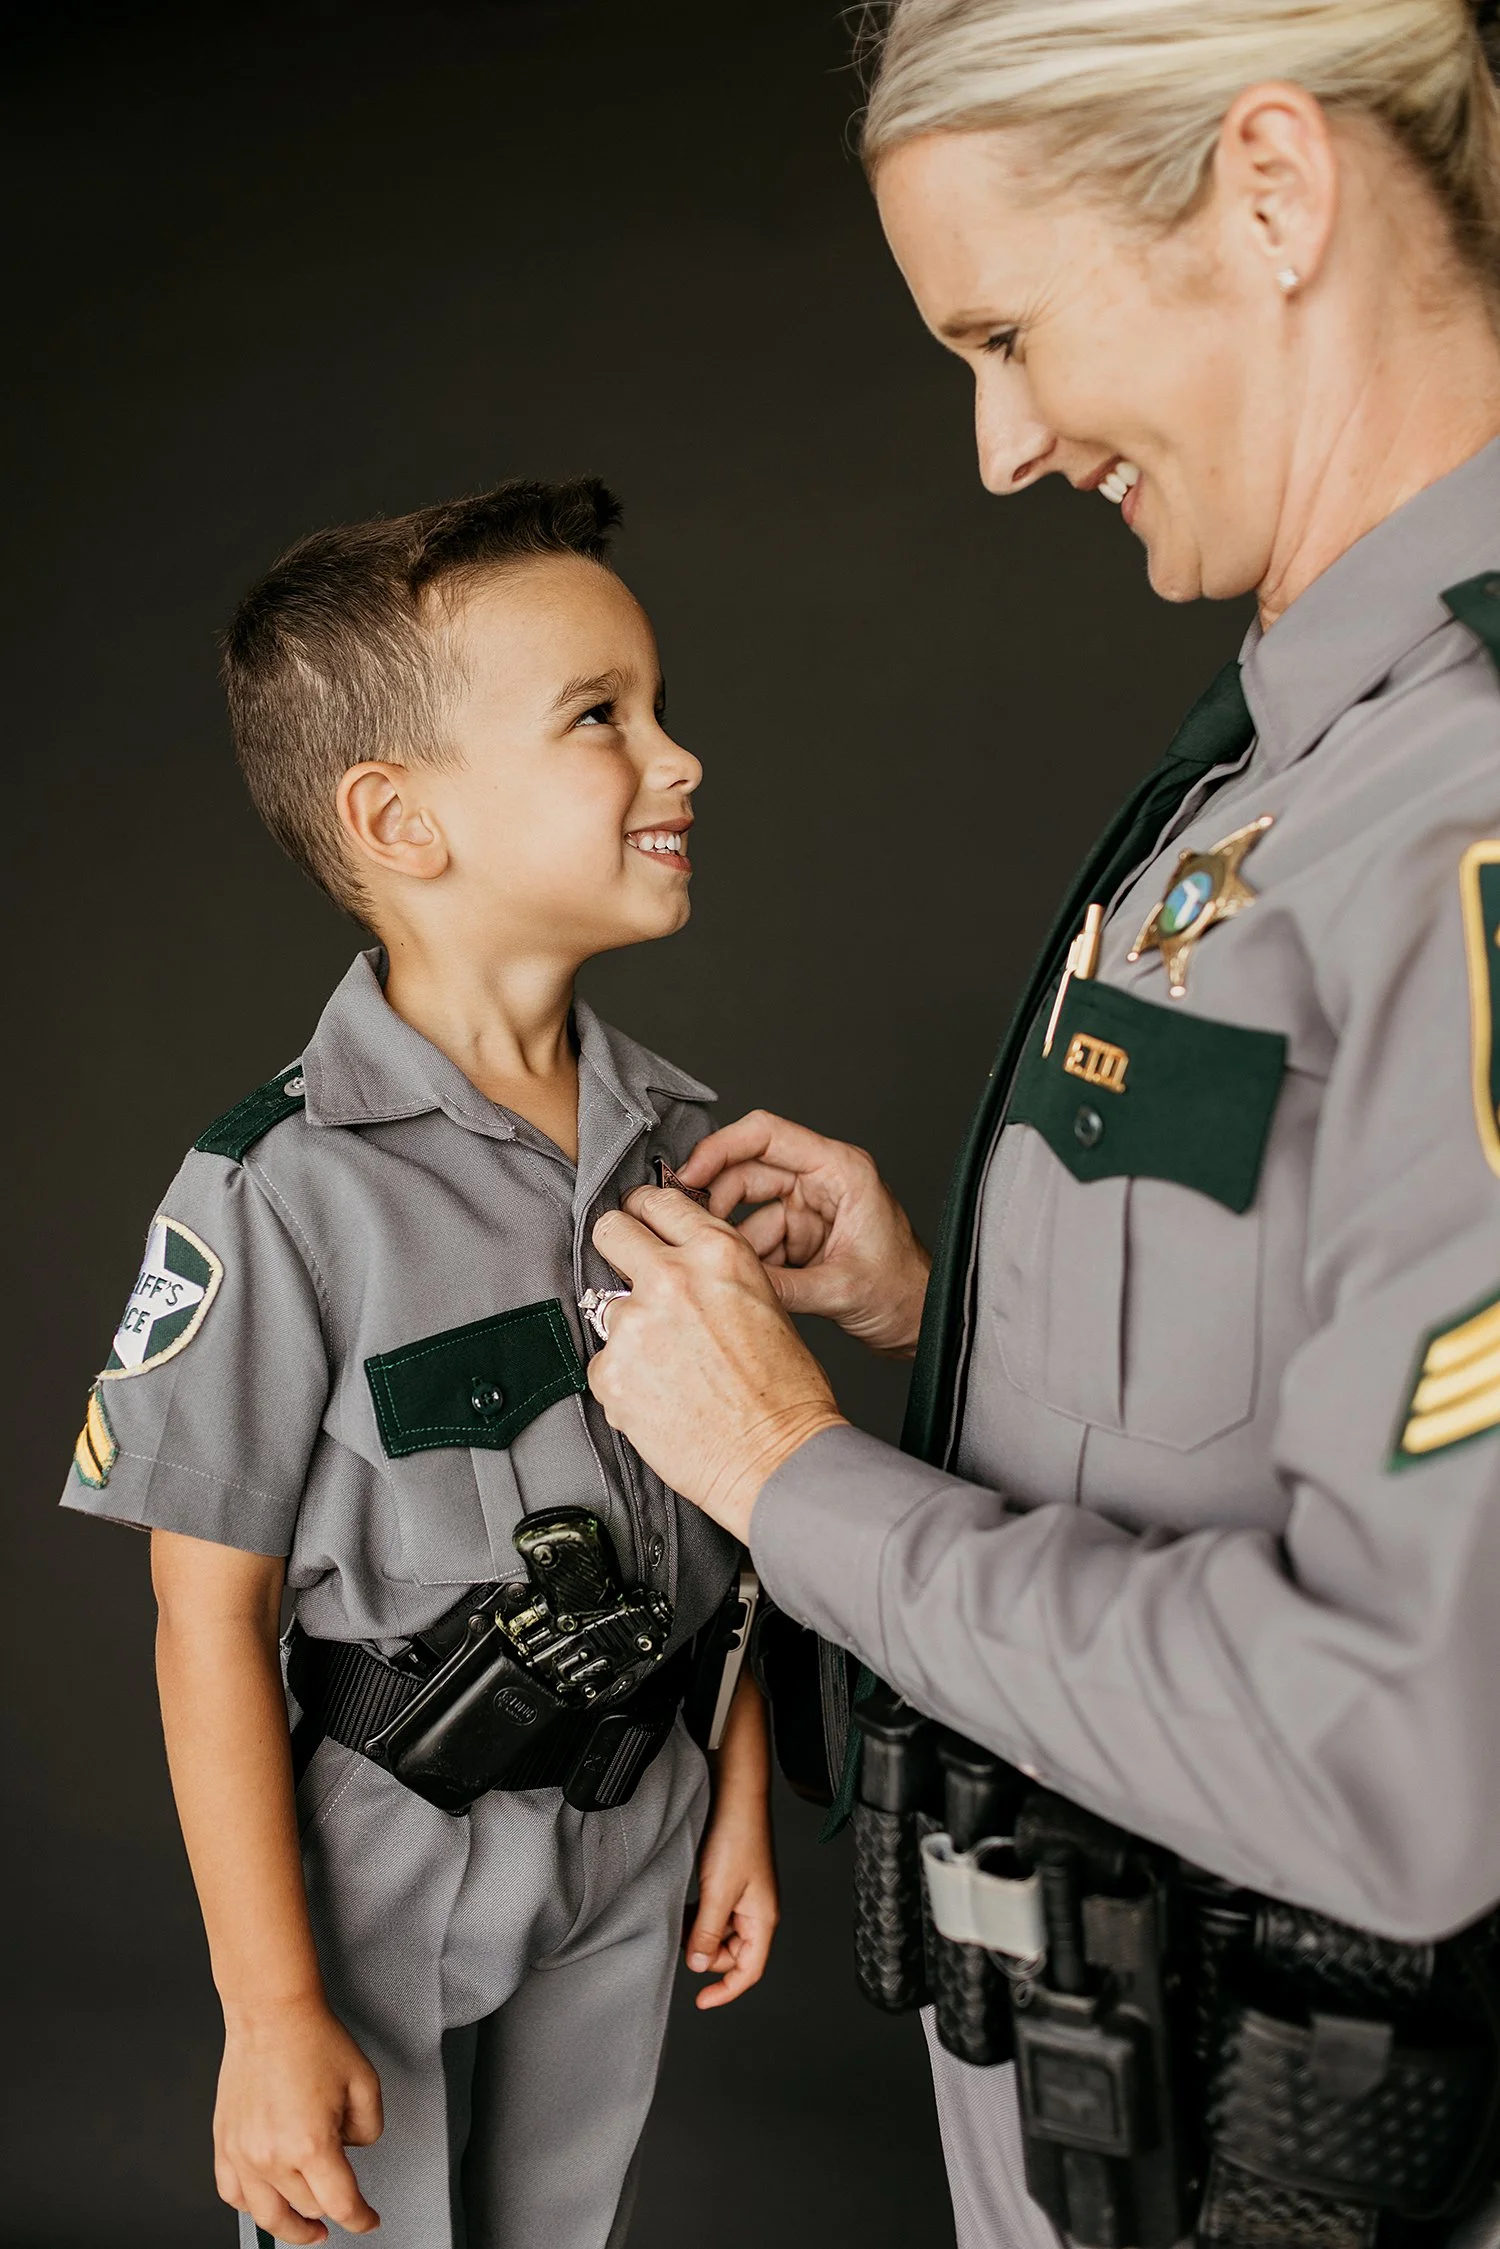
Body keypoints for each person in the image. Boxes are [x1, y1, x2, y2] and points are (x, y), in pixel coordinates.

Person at [579, 2, 1500, 2243]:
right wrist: (940, 1299)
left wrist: (792, 1480)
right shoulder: (1292, 755)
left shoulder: (1462, 797)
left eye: (1006, 329)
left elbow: (1402, 1749)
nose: (996, 444)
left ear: (1275, 191)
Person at [58, 478, 777, 2249]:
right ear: (402, 818)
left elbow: (740, 1511)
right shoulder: (284, 1188)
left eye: (660, 705)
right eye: (602, 719)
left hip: (636, 1812)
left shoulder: (681, 1139)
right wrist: (269, 2008)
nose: (676, 760)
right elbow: (204, 1618)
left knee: (562, 2222)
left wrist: (737, 1798)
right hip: (393, 1839)